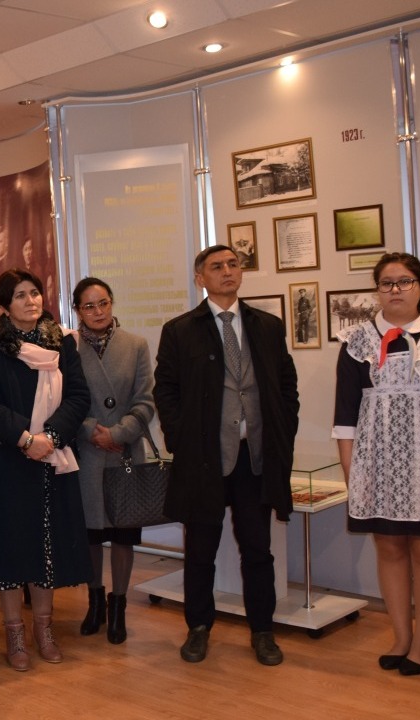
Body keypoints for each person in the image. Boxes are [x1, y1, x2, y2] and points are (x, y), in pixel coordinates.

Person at [154, 244, 298, 667]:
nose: (228, 271)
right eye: (217, 266)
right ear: (201, 278)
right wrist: (181, 439)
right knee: (201, 551)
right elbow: (166, 391)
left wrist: (283, 431)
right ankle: (198, 628)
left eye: (233, 264)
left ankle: (263, 631)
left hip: (255, 458)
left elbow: (286, 385)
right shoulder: (180, 330)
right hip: (204, 460)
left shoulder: (267, 326)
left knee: (258, 550)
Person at [333, 251, 420, 676]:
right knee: (388, 548)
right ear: (377, 291)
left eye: (405, 281)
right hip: (378, 461)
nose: (395, 290)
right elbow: (345, 417)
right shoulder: (357, 341)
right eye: (387, 283)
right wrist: (354, 476)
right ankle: (401, 637)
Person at [0, 269, 91, 672]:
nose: (30, 301)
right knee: (10, 549)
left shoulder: (60, 341)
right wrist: (25, 439)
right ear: (4, 305)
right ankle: (14, 632)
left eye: (34, 293)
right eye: (20, 295)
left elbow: (79, 395)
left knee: (47, 547)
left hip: (52, 457)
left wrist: (49, 437)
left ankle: (44, 629)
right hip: (6, 461)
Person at [70, 277, 155, 645]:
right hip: (87, 453)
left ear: (112, 303)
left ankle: (118, 605)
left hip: (124, 452)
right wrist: (92, 431)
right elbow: (62, 401)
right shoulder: (67, 348)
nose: (98, 311)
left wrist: (119, 434)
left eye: (103, 303)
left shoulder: (135, 345)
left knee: (123, 535)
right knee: (91, 534)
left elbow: (146, 402)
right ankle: (95, 603)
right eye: (89, 306)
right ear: (77, 310)